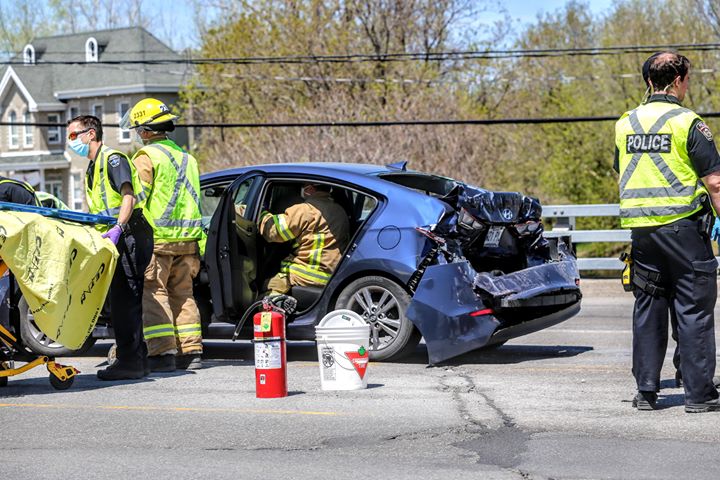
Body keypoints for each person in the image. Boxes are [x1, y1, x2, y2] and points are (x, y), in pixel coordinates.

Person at [614, 51, 720, 413]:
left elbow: (625, 168)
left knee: (649, 308)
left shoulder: (625, 123)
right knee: (693, 311)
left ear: (648, 82)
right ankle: (699, 395)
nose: (687, 86)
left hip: (642, 234)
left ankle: (646, 391)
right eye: (687, 80)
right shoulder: (687, 122)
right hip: (684, 232)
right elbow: (716, 183)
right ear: (677, 82)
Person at [66, 115, 154, 380]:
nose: (71, 142)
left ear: (90, 134)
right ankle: (138, 360)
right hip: (118, 237)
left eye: (73, 136)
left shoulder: (112, 159)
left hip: (129, 234)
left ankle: (130, 362)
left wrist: (118, 227)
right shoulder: (94, 167)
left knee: (124, 301)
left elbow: (128, 194)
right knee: (124, 302)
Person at [120, 98, 204, 372]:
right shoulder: (188, 159)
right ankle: (190, 352)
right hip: (189, 241)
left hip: (158, 240)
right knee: (183, 294)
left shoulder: (147, 157)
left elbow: (138, 199)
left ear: (145, 131)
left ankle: (162, 353)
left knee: (155, 294)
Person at [258, 183, 349, 295]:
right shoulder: (340, 210)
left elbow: (275, 232)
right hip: (331, 276)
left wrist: (261, 214)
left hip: (305, 275)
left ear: (309, 189)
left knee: (268, 289)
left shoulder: (306, 210)